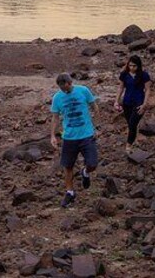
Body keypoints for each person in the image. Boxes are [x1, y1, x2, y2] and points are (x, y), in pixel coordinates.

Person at [50, 73, 99, 208]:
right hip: (69, 137)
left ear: (70, 83)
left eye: (66, 88)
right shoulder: (57, 97)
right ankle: (70, 192)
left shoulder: (83, 91)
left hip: (86, 134)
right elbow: (55, 117)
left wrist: (96, 126)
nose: (64, 91)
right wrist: (53, 135)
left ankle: (85, 172)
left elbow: (94, 106)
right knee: (68, 166)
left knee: (93, 163)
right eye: (61, 89)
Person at [115, 55, 152, 153]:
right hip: (127, 102)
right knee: (130, 124)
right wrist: (116, 101)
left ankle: (128, 146)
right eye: (130, 65)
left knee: (132, 124)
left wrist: (145, 104)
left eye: (134, 66)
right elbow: (121, 88)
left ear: (138, 66)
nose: (132, 68)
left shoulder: (144, 75)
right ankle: (135, 139)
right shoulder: (124, 74)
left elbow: (148, 89)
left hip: (139, 103)